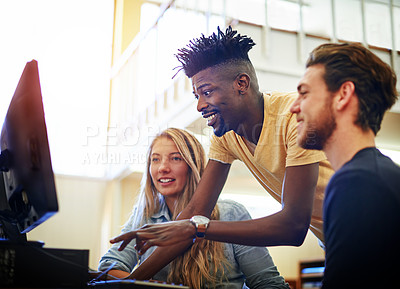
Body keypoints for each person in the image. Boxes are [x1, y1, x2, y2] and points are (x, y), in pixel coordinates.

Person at [110, 26, 334, 281]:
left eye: (206, 92)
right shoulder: (225, 134)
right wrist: (131, 281)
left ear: (241, 83)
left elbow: (293, 227)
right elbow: (196, 211)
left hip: (376, 235)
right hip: (336, 246)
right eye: (197, 95)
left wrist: (198, 227)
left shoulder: (295, 118)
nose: (200, 105)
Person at [99, 128, 290, 289]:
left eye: (175, 158)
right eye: (155, 160)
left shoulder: (231, 213)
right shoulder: (144, 216)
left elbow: (268, 283)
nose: (162, 168)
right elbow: (108, 267)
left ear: (193, 165)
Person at [289, 42, 400, 289]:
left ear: (343, 95)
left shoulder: (357, 182)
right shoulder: (380, 176)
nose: (293, 106)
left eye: (304, 93)